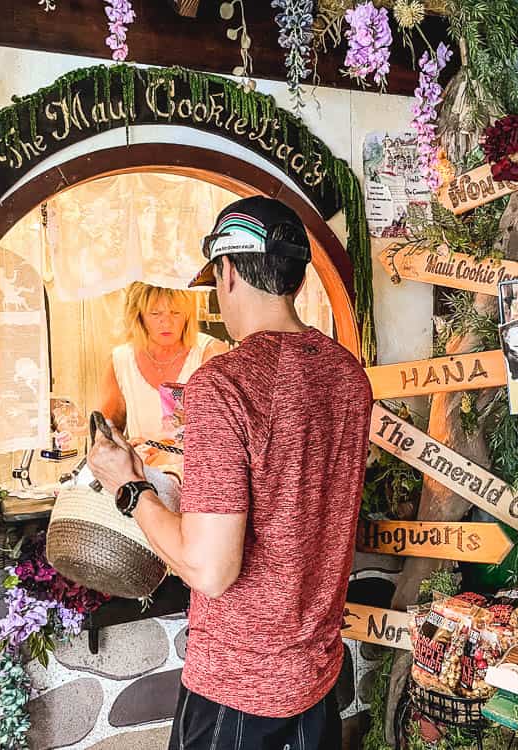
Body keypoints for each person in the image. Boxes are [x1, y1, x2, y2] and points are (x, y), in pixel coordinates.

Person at [87, 196, 372, 749]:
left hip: (238, 689)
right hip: (317, 678)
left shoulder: (225, 383)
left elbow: (210, 569)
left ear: (229, 270)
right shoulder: (347, 374)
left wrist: (127, 484)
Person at [99, 282, 228, 443]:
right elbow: (105, 433)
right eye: (155, 313)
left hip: (195, 467)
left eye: (175, 313)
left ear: (187, 315)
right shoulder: (120, 361)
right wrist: (125, 449)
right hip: (141, 467)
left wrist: (163, 449)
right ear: (139, 316)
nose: (167, 323)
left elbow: (223, 434)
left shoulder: (210, 354)